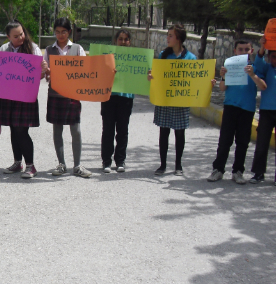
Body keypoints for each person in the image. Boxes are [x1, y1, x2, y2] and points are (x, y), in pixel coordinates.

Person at [148, 23, 214, 176]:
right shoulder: (164, 55)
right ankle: (162, 164)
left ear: (178, 38)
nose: (167, 38)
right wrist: (151, 77)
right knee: (163, 132)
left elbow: (196, 79)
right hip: (165, 100)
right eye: (167, 35)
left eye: (170, 35)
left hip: (181, 100)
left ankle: (178, 165)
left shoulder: (190, 58)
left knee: (179, 133)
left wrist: (208, 83)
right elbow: (158, 76)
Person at [207, 40, 264, 184]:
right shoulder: (229, 65)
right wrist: (224, 76)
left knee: (243, 142)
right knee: (225, 140)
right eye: (240, 49)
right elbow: (222, 88)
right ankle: (218, 169)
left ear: (251, 51)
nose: (243, 52)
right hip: (231, 106)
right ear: (235, 51)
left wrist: (252, 74)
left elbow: (262, 86)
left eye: (247, 49)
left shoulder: (255, 67)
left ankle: (238, 171)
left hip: (247, 108)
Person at [44, 17, 92, 178]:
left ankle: (77, 165)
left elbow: (86, 71)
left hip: (72, 95)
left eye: (63, 31)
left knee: (75, 130)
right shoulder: (49, 50)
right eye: (57, 32)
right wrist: (47, 71)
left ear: (69, 32)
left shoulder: (78, 49)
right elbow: (44, 74)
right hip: (55, 94)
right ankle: (61, 164)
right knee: (57, 129)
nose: (60, 35)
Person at [0, 21, 48, 179]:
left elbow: (39, 76)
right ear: (8, 37)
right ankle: (17, 162)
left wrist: (44, 70)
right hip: (9, 95)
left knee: (21, 130)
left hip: (25, 95)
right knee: (13, 129)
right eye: (16, 36)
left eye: (21, 33)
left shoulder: (33, 48)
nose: (20, 37)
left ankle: (30, 165)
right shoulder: (3, 49)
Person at [100, 29, 135, 173]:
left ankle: (120, 160)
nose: (123, 42)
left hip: (126, 97)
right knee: (108, 129)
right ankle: (106, 161)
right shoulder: (107, 55)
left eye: (126, 39)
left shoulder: (135, 58)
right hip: (108, 96)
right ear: (115, 40)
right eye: (120, 39)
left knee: (122, 130)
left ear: (130, 42)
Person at [248, 37, 275, 184]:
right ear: (269, 57)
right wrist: (263, 47)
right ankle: (258, 173)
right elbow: (258, 63)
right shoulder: (266, 68)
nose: (275, 59)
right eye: (273, 56)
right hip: (266, 111)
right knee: (262, 143)